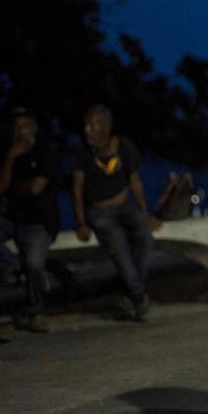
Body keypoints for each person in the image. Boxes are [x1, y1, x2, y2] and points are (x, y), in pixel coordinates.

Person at [0, 109, 61, 342]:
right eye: (16, 128)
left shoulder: (45, 151)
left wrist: (13, 188)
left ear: (34, 127)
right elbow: (0, 188)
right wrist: (10, 157)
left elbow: (36, 187)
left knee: (34, 263)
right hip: (13, 218)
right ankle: (16, 268)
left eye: (25, 127)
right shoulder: (8, 154)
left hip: (40, 221)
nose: (20, 132)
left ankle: (34, 312)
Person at [72, 105, 154, 319]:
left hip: (125, 206)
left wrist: (144, 211)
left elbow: (135, 180)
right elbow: (77, 190)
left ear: (106, 127)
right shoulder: (82, 152)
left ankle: (131, 294)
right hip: (98, 212)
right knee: (117, 241)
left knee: (144, 235)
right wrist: (80, 222)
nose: (87, 130)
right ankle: (137, 295)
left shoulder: (124, 146)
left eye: (93, 125)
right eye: (86, 126)